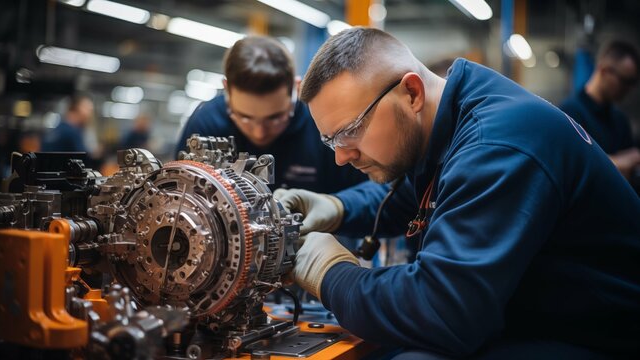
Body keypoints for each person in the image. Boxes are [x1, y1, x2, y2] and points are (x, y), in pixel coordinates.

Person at [275, 28, 640, 359]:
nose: (341, 157)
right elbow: (413, 199)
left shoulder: (497, 146)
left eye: (349, 131)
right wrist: (336, 207)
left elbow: (441, 312)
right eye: (329, 140)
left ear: (412, 93)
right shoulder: (452, 120)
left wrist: (330, 273)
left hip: (599, 338)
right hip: (541, 316)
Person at [175, 36, 367, 193]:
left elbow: (370, 193)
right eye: (245, 117)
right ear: (227, 89)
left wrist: (334, 208)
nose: (259, 133)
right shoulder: (206, 125)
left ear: (297, 88)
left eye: (275, 118)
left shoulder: (324, 124)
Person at [560, 40, 640, 182]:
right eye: (624, 80)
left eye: (632, 82)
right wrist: (616, 162)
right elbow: (570, 166)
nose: (628, 89)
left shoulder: (620, 120)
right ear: (604, 70)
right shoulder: (570, 113)